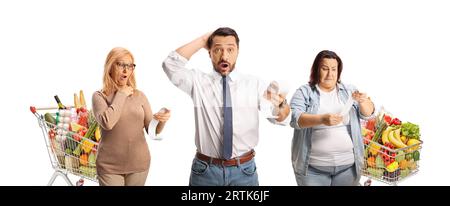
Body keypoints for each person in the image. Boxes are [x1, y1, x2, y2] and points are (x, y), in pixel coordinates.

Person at [162, 27, 290, 186]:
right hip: (205, 172)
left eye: (230, 49)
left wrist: (282, 105)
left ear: (238, 51)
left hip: (244, 171)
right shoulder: (197, 82)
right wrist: (203, 40)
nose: (224, 55)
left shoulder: (254, 84)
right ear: (209, 53)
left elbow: (278, 117)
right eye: (217, 50)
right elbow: (170, 65)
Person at [289, 50, 375, 186]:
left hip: (348, 168)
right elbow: (294, 118)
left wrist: (363, 101)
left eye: (334, 69)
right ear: (317, 70)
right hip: (312, 170)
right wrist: (321, 119)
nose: (330, 74)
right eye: (325, 69)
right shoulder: (304, 92)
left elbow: (368, 114)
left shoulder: (349, 91)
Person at [92, 47, 171, 186]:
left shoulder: (139, 96)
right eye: (121, 65)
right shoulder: (99, 96)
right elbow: (108, 122)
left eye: (130, 66)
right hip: (109, 167)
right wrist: (121, 94)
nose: (126, 70)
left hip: (139, 165)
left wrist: (161, 120)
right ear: (110, 66)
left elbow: (152, 130)